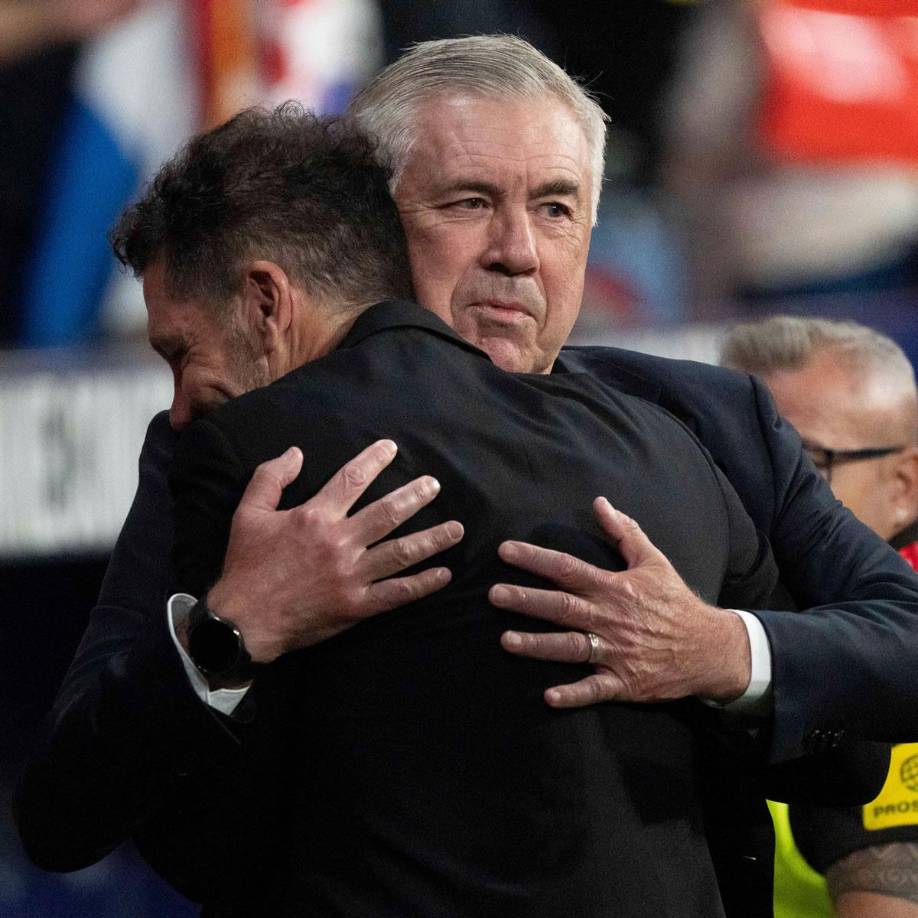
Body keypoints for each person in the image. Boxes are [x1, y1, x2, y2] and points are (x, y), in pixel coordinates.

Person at [14, 33, 915, 916]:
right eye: (469, 203)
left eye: (556, 208)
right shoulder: (227, 437)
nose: (517, 250)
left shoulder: (712, 422)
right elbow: (71, 798)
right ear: (369, 224)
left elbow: (878, 692)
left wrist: (721, 652)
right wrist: (230, 633)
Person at [722, 314, 918, 918]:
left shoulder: (892, 671)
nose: (752, 493)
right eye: (718, 457)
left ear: (905, 485)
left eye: (803, 465)